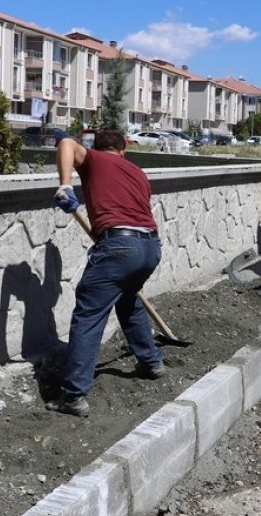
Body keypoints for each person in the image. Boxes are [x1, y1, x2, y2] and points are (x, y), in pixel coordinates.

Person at [50, 130, 165, 416]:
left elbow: (65, 143)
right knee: (129, 302)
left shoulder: (95, 159)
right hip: (150, 247)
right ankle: (151, 362)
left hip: (119, 246)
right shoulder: (137, 172)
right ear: (124, 147)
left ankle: (73, 395)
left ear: (96, 147)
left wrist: (66, 185)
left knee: (88, 316)